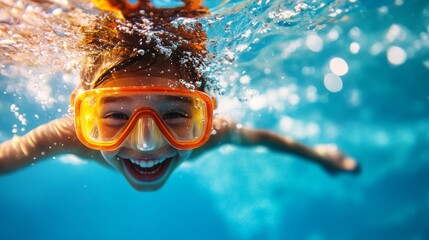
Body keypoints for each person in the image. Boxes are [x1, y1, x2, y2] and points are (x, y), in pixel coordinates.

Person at [0, 0, 359, 191]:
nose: (145, 144)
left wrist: (318, 154)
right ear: (81, 114)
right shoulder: (70, 136)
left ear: (208, 117)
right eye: (115, 117)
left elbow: (261, 138)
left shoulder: (211, 136)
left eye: (174, 115)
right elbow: (17, 152)